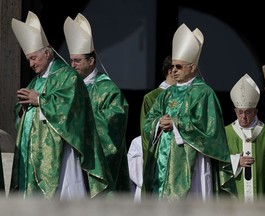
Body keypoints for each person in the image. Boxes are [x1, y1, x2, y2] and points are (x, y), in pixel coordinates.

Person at [10, 11, 109, 200]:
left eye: (33, 58)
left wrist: (39, 100)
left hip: (60, 152)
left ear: (47, 53)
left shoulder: (68, 77)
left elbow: (72, 109)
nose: (30, 64)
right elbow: (23, 114)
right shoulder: (36, 81)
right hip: (33, 153)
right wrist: (22, 108)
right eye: (28, 59)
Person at [142, 23, 237, 201]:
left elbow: (211, 131)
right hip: (165, 159)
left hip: (193, 161)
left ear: (192, 68)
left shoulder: (204, 93)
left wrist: (176, 123)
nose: (173, 70)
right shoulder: (167, 94)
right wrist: (158, 123)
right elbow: (149, 120)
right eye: (172, 67)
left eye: (179, 67)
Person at [63, 13, 130, 194]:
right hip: (72, 158)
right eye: (71, 60)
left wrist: (81, 122)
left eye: (77, 60)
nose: (73, 65)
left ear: (91, 61)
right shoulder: (68, 88)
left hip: (97, 162)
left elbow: (115, 121)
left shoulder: (108, 89)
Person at [225, 73, 265, 202]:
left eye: (247, 112)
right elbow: (216, 159)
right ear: (235, 111)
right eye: (240, 112)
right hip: (236, 194)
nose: (243, 116)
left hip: (262, 193)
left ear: (255, 111)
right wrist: (236, 161)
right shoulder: (226, 132)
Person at [127, 54, 175, 202]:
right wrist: (158, 124)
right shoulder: (152, 97)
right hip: (159, 153)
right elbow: (146, 127)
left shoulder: (190, 94)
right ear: (170, 71)